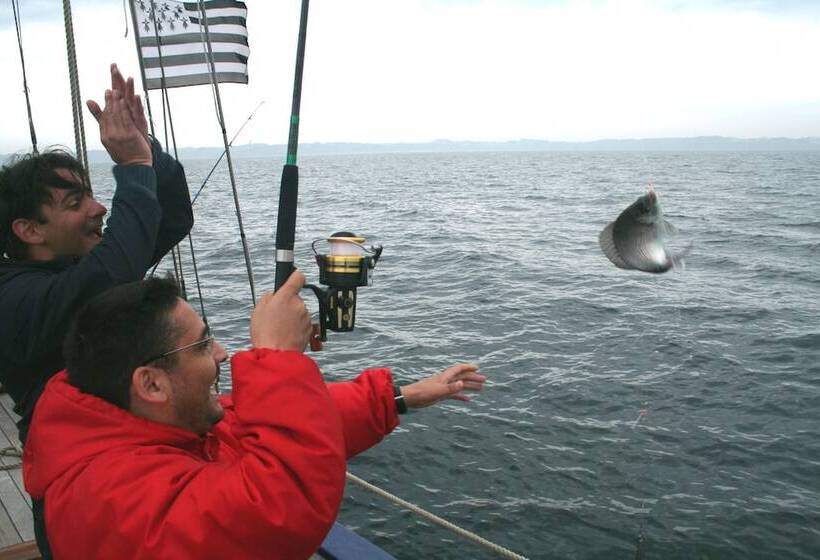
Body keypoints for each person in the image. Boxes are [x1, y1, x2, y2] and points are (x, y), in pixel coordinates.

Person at [22, 271, 486, 559]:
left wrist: (400, 397)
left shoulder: (136, 427)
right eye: (202, 344)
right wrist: (279, 358)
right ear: (151, 384)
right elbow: (276, 513)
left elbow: (244, 426)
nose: (222, 353)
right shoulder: (110, 498)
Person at [0, 63, 193, 556]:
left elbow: (170, 216)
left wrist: (147, 154)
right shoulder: (16, 296)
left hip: (138, 469)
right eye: (74, 202)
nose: (98, 209)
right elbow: (110, 271)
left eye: (90, 193)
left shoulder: (87, 265)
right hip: (81, 498)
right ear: (29, 230)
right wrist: (130, 168)